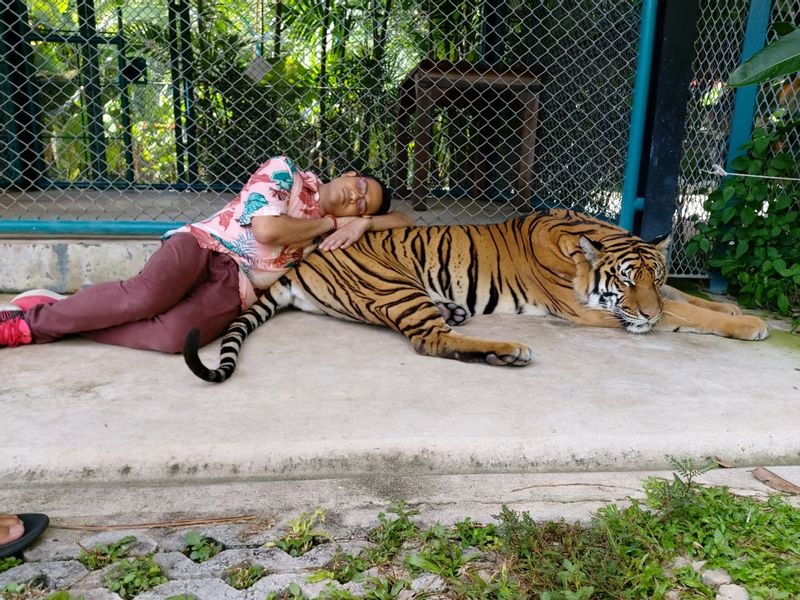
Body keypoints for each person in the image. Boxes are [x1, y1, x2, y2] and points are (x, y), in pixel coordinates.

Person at [0, 156, 414, 352]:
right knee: (144, 299)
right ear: (347, 174)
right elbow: (267, 230)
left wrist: (367, 223)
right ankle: (25, 326)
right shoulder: (285, 172)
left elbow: (408, 223)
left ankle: (65, 313)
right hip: (203, 246)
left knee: (176, 338)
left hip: (238, 287)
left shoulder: (349, 227)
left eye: (364, 204)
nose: (356, 199)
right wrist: (331, 224)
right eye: (360, 187)